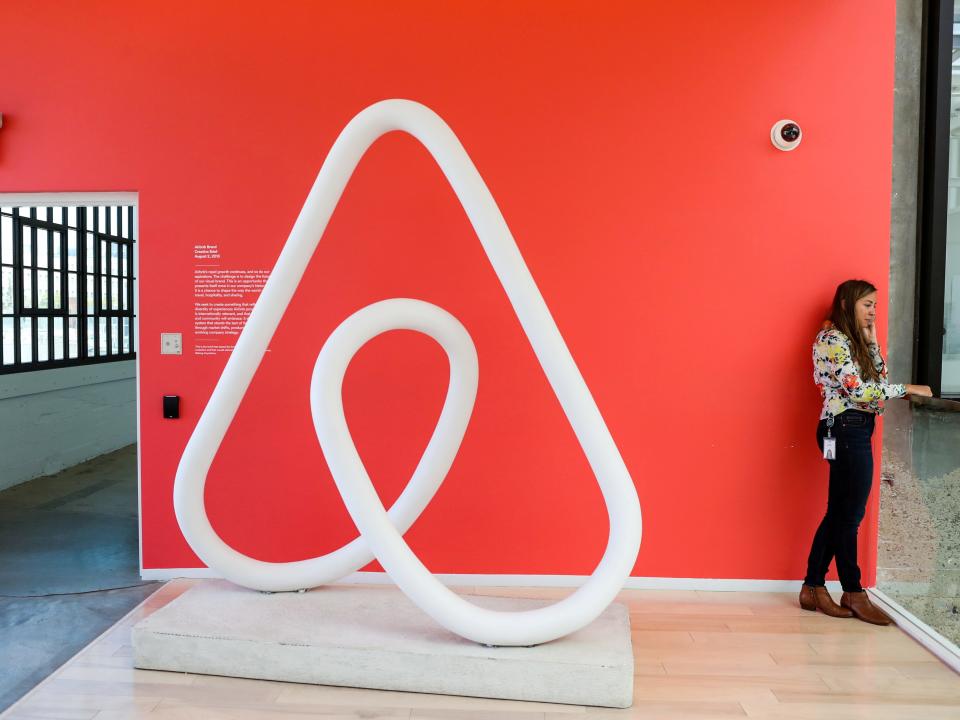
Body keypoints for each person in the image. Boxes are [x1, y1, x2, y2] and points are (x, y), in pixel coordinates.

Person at [800, 279, 932, 624]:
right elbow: (859, 391)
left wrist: (872, 344)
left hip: (853, 428)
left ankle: (813, 587)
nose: (873, 310)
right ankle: (853, 591)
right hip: (844, 427)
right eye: (866, 304)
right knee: (850, 515)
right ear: (846, 304)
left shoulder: (853, 341)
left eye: (875, 305)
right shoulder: (832, 339)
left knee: (840, 513)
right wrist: (907, 389)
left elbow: (877, 376)